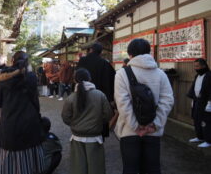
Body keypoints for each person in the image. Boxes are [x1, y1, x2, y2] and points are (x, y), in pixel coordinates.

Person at [114, 38, 174, 174]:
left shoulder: (122, 74)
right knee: (152, 169)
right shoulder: (160, 74)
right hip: (153, 131)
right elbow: (167, 100)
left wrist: (136, 126)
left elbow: (122, 103)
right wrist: (155, 124)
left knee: (131, 169)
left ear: (130, 54)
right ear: (148, 52)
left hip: (129, 131)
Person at [0, 51, 44, 174]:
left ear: (12, 61)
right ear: (28, 63)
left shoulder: (3, 77)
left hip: (9, 127)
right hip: (30, 125)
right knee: (31, 166)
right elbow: (35, 102)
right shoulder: (31, 77)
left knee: (11, 168)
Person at [62, 68, 112, 174]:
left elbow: (66, 117)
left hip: (77, 137)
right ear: (90, 79)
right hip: (95, 137)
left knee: (78, 168)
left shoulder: (71, 98)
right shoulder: (100, 95)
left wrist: (75, 123)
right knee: (96, 168)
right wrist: (97, 122)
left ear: (75, 80)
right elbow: (108, 115)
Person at [187, 58, 211, 148]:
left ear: (204, 66)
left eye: (197, 66)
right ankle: (199, 137)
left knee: (206, 122)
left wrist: (210, 103)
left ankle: (208, 140)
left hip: (206, 102)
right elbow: (194, 88)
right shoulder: (197, 76)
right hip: (197, 101)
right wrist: (193, 99)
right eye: (195, 66)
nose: (195, 68)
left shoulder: (209, 76)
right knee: (197, 119)